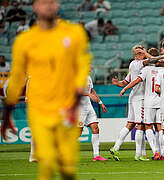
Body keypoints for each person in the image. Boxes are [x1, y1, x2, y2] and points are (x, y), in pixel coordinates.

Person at [0, 0, 91, 180]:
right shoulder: (24, 41)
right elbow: (17, 79)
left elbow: (81, 69)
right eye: (43, 2)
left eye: (52, 1)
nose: (48, 5)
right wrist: (7, 114)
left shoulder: (74, 34)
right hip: (39, 109)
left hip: (66, 108)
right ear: (35, 7)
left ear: (57, 5)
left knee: (67, 167)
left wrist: (75, 100)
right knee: (47, 165)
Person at [110, 45, 156, 161]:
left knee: (130, 124)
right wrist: (146, 53)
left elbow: (125, 81)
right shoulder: (138, 64)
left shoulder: (132, 65)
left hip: (133, 97)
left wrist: (117, 83)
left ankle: (116, 147)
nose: (141, 55)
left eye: (141, 52)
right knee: (140, 125)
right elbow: (153, 60)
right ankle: (138, 154)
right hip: (139, 98)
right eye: (139, 53)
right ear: (136, 55)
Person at [119, 48, 164, 160]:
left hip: (147, 100)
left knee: (145, 126)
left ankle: (153, 152)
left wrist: (125, 88)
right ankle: (161, 152)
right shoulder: (163, 69)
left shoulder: (146, 69)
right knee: (159, 127)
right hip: (161, 100)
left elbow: (135, 80)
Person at [79, 75, 108, 161]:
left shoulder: (88, 77)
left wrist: (100, 103)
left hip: (88, 107)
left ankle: (96, 155)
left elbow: (92, 91)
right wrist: (88, 94)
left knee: (95, 128)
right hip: (79, 108)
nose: (90, 66)